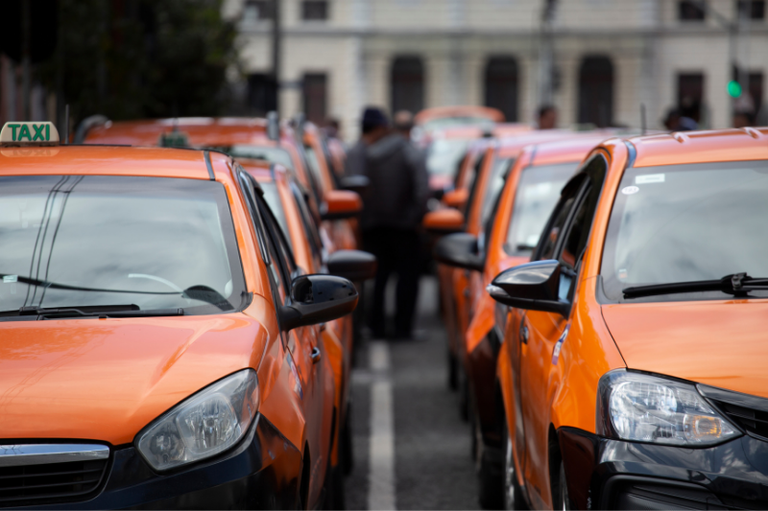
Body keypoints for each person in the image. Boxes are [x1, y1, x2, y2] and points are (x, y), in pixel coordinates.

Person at [347, 107, 429, 339]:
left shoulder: (365, 153)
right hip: (405, 226)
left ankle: (377, 327)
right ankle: (403, 328)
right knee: (407, 279)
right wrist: (418, 215)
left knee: (378, 278)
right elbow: (422, 188)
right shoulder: (408, 151)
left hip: (373, 226)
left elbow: (356, 187)